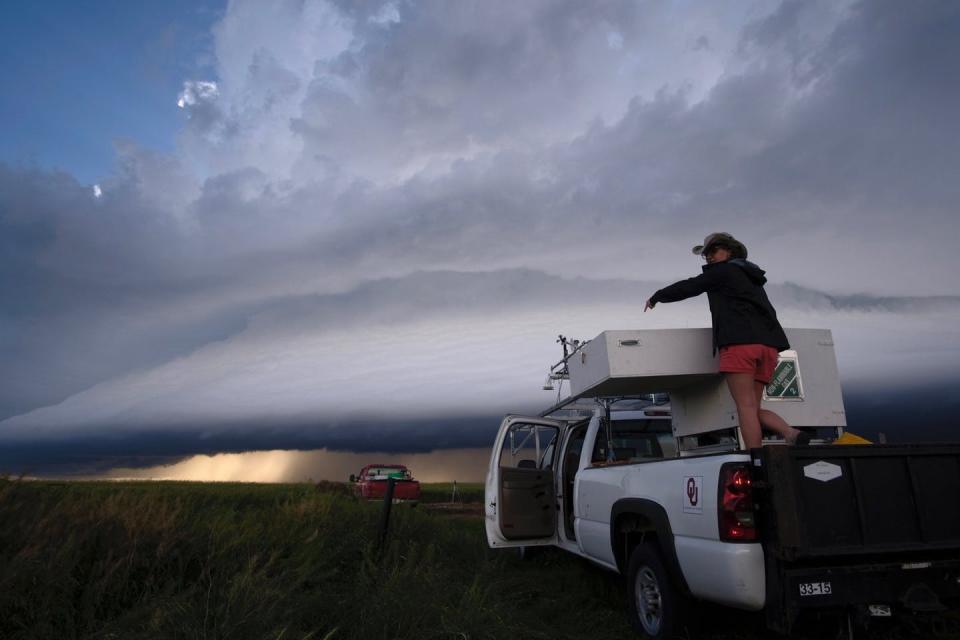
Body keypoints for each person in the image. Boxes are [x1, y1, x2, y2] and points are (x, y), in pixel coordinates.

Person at [643, 232, 809, 449]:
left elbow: (690, 286)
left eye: (713, 251)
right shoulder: (752, 277)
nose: (709, 257)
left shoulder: (723, 271)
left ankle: (756, 459)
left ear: (729, 251)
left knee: (745, 407)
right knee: (753, 408)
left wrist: (657, 297)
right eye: (705, 255)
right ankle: (791, 433)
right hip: (768, 347)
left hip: (740, 344)